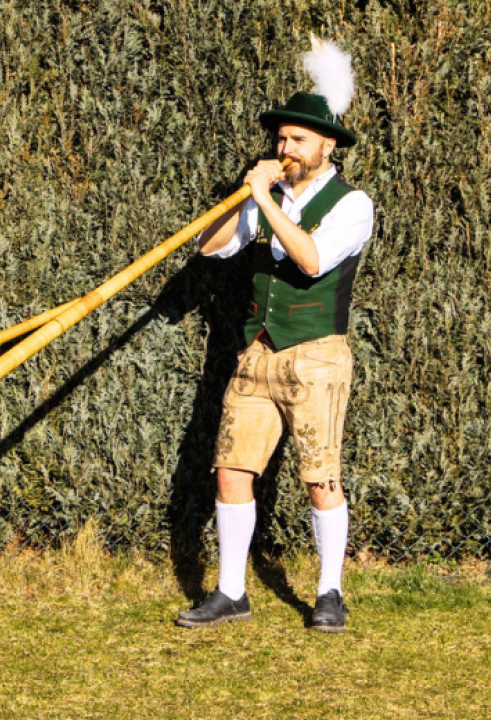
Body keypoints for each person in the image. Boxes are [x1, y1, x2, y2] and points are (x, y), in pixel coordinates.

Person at [178, 40, 374, 632]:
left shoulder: (353, 204)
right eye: (282, 139)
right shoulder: (264, 198)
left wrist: (266, 200)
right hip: (256, 351)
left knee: (321, 477)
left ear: (327, 146)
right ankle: (232, 592)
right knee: (231, 469)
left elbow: (312, 259)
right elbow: (209, 247)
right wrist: (241, 199)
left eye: (298, 141)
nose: (285, 150)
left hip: (316, 357)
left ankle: (330, 593)